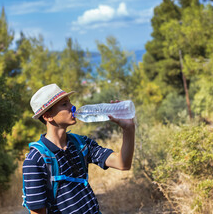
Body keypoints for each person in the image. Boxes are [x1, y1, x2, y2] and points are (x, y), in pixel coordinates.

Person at [22, 83, 135, 214]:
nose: (72, 107)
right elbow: (37, 212)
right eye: (64, 104)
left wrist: (128, 129)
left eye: (69, 102)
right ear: (47, 116)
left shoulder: (81, 144)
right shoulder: (35, 160)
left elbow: (122, 164)